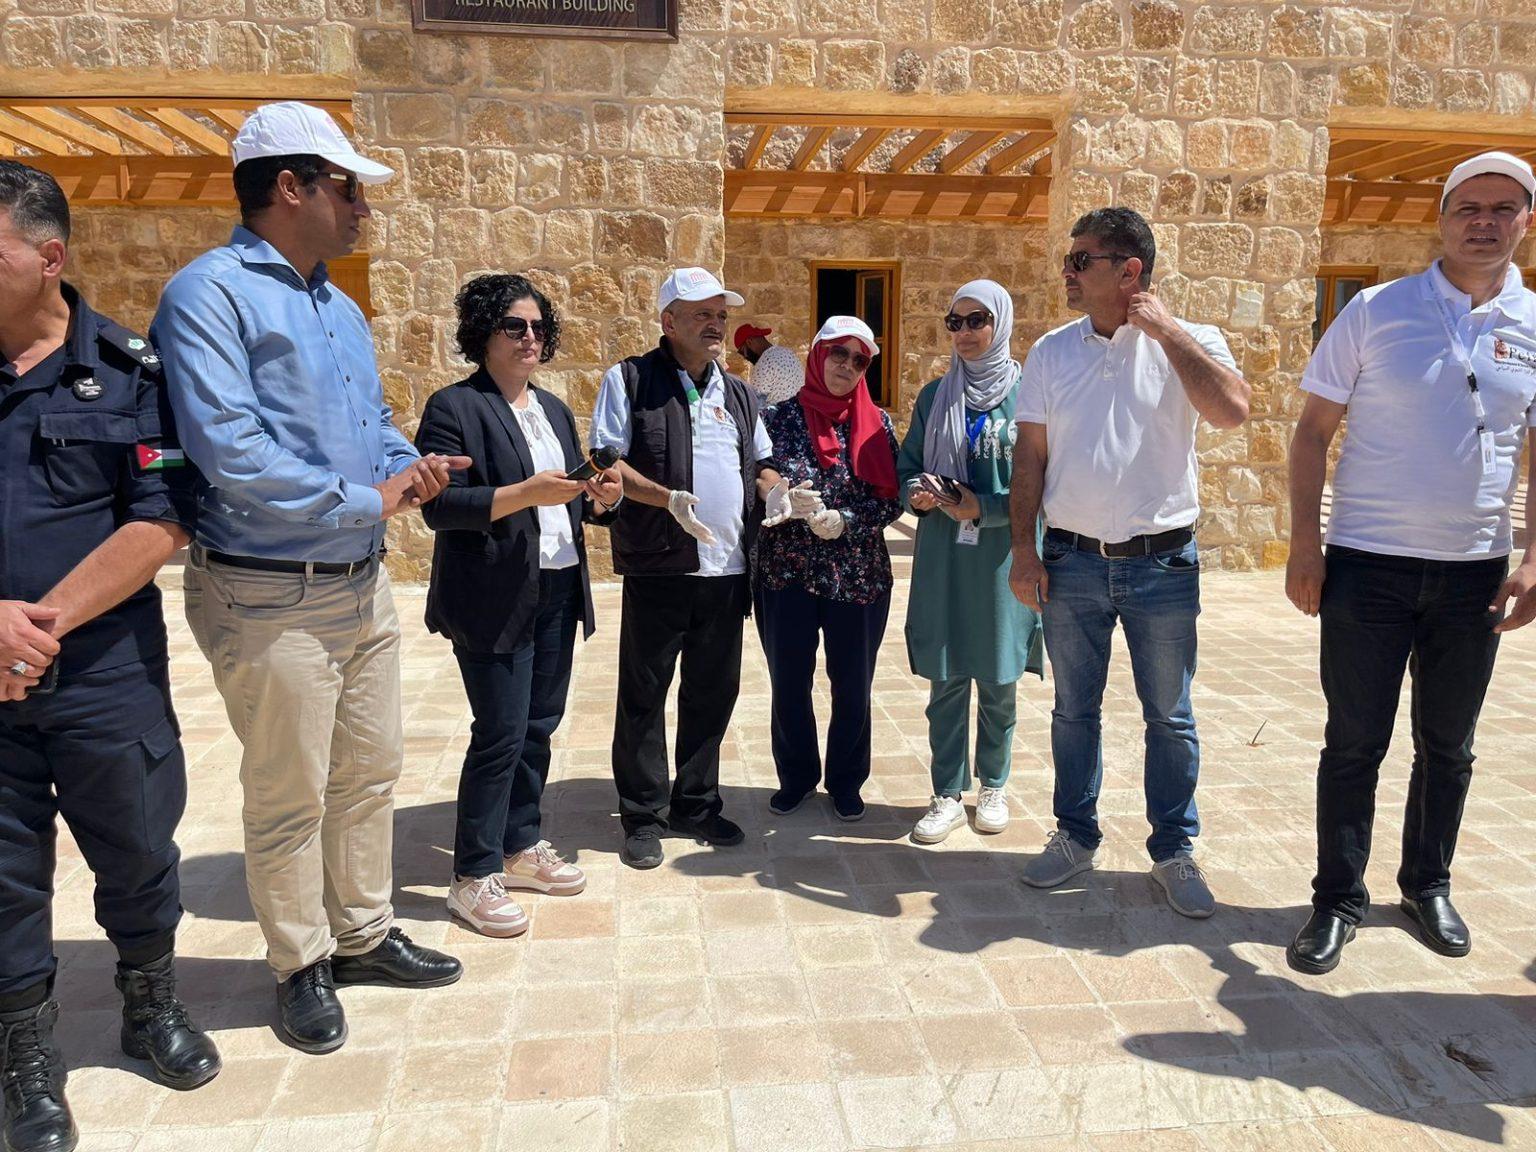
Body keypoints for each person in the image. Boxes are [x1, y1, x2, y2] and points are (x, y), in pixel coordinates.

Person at [152, 102, 463, 1055]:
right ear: (289, 187)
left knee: (369, 770)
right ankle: (300, 964)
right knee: (290, 791)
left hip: (358, 582)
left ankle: (361, 935)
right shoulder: (207, 296)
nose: (362, 206)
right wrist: (371, 499)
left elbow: (372, 423)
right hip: (267, 592)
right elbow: (230, 451)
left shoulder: (338, 306)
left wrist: (410, 463)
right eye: (348, 187)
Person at [0, 161, 220, 1152]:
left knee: (136, 847)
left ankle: (150, 1001)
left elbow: (163, 518)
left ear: (48, 257)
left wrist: (32, 628)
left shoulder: (134, 372)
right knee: (5, 877)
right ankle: (27, 1057)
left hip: (102, 675)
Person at [1283, 151, 1536, 975]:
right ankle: (1336, 899)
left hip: (1474, 572)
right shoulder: (1375, 309)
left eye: (1502, 208)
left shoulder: (1534, 324)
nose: (1484, 222)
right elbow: (1311, 434)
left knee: (1449, 746)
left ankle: (1427, 885)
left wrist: (1533, 557)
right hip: (1368, 565)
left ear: (1526, 222)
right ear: (1442, 218)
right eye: (1469, 207)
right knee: (1354, 742)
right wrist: (1305, 546)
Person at [1010, 207, 1250, 919]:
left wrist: (1166, 330)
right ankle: (1075, 836)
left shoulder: (1191, 341)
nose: (1067, 271)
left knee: (1169, 716)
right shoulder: (1052, 351)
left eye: (1081, 259)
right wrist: (1022, 549)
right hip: (1072, 562)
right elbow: (1030, 457)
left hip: (1162, 565)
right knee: (1072, 711)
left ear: (1130, 270)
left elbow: (1232, 411)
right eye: (1069, 258)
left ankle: (1173, 850)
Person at [415, 274, 623, 938]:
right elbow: (441, 507)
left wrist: (601, 498)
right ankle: (473, 874)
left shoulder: (554, 409)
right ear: (484, 333)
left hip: (556, 585)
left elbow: (565, 497)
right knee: (500, 731)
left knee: (538, 725)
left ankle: (520, 844)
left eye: (538, 327)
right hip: (491, 595)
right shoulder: (454, 407)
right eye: (515, 326)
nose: (530, 337)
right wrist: (525, 494)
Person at [590, 267, 781, 869]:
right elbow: (604, 463)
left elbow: (762, 464)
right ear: (668, 321)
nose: (716, 324)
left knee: (712, 692)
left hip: (727, 569)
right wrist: (665, 499)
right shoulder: (629, 379)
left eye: (721, 314)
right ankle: (643, 814)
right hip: (660, 566)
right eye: (703, 314)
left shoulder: (740, 393)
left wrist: (779, 493)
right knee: (645, 694)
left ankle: (695, 803)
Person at [898, 280, 1044, 844]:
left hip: (1003, 558)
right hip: (944, 556)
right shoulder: (935, 397)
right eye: (954, 322)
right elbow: (908, 465)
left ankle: (994, 785)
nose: (964, 332)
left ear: (1000, 323)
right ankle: (946, 792)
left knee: (1000, 678)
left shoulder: (1030, 397)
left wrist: (983, 506)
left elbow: (1046, 486)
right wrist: (917, 494)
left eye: (977, 319)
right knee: (947, 677)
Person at [755, 316, 901, 822]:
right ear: (818, 355)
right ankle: (796, 777)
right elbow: (755, 476)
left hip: (857, 577)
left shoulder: (877, 424)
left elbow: (891, 499)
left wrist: (848, 521)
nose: (848, 366)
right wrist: (781, 496)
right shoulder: (777, 419)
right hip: (787, 573)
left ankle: (846, 781)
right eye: (839, 353)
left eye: (860, 360)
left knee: (853, 684)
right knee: (789, 682)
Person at [734, 323, 805, 404]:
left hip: (780, 412)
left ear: (749, 342)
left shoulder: (763, 364)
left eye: (742, 352)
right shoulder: (789, 354)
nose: (744, 357)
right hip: (798, 410)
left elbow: (755, 404)